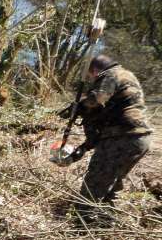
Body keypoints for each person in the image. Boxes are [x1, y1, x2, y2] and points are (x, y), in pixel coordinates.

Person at [59, 55, 153, 222]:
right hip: (139, 139)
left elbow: (97, 99)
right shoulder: (126, 76)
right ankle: (107, 222)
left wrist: (79, 106)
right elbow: (99, 126)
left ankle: (81, 224)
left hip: (122, 137)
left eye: (90, 75)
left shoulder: (111, 75)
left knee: (95, 181)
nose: (91, 79)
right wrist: (81, 149)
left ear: (95, 70)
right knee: (113, 182)